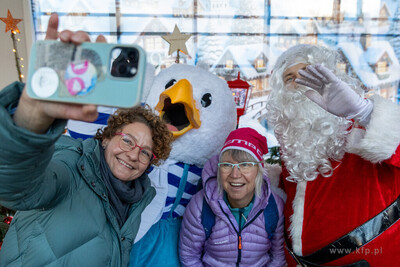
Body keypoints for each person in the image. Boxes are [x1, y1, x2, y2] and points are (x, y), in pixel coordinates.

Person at [0, 13, 173, 266]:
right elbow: (15, 188)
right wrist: (30, 121)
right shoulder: (71, 165)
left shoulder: (135, 200)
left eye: (146, 152)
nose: (135, 155)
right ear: (105, 138)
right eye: (127, 141)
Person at [266, 44, 400, 266]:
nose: (300, 85)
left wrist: (365, 114)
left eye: (309, 75)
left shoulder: (362, 129)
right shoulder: (292, 142)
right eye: (290, 78)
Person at [179, 127, 286, 266]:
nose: (235, 174)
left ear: (259, 171)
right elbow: (189, 256)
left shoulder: (274, 206)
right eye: (227, 165)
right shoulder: (200, 206)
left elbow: (279, 257)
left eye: (245, 165)